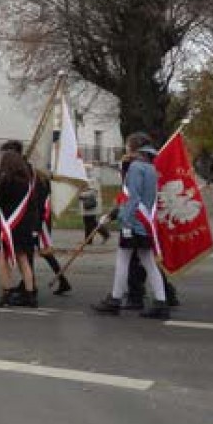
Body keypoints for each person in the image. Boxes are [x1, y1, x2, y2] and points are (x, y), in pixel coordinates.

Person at [92, 132, 169, 319]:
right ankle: (161, 301)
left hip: (133, 222)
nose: (126, 148)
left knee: (123, 260)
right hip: (145, 222)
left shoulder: (135, 167)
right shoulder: (150, 167)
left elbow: (132, 198)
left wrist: (123, 220)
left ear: (133, 147)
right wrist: (112, 214)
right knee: (149, 262)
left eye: (127, 144)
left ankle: (115, 300)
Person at [0, 149, 41, 307]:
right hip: (24, 226)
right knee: (23, 260)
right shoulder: (27, 181)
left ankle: (6, 293)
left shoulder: (6, 181)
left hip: (9, 226)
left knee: (4, 260)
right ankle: (30, 294)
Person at [79, 164, 110, 244]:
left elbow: (93, 192)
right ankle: (89, 240)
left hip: (91, 205)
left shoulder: (92, 179)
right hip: (86, 204)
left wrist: (81, 195)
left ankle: (102, 235)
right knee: (89, 222)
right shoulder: (85, 179)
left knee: (91, 223)